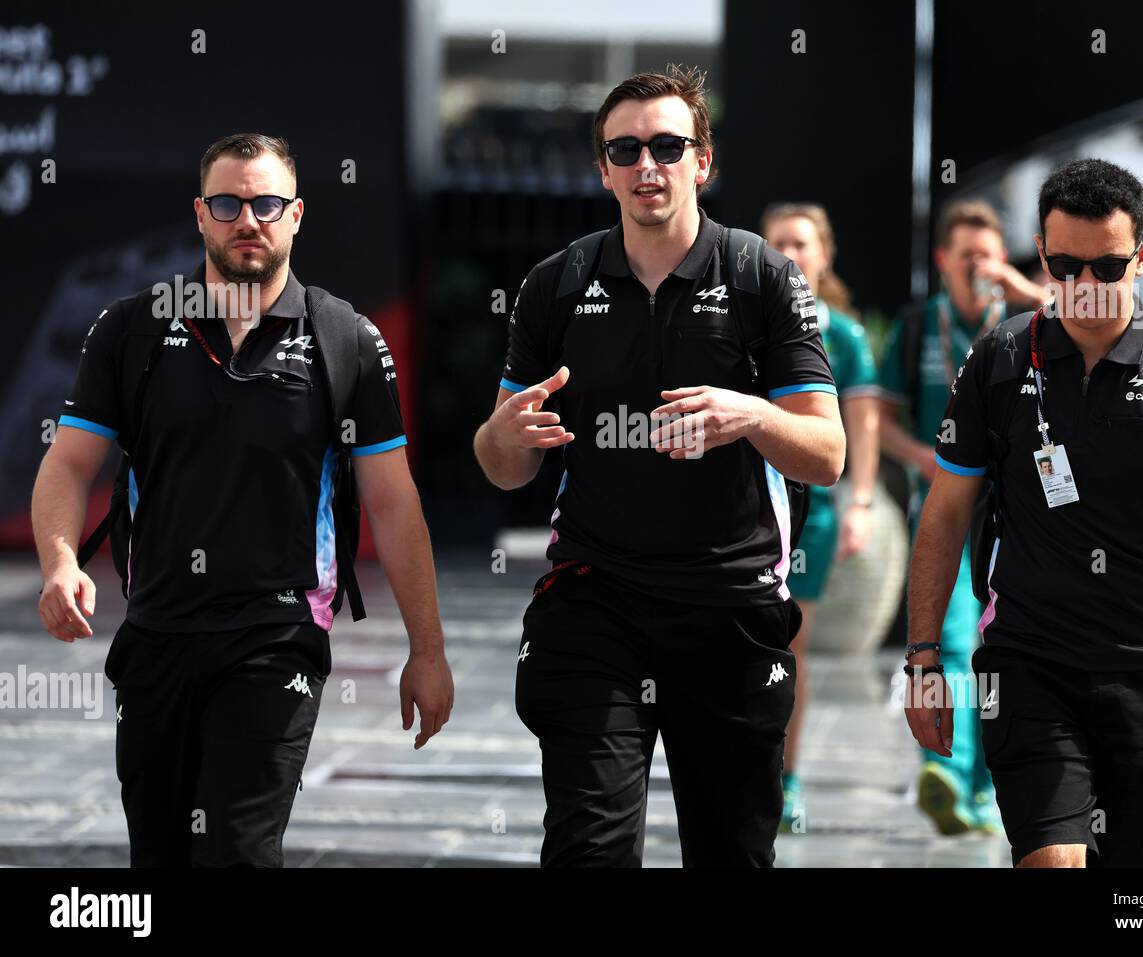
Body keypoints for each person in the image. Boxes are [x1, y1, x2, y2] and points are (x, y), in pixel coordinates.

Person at [31, 133, 454, 867]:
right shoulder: (131, 327)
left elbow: (392, 502)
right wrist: (61, 561)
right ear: (200, 214)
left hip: (276, 637)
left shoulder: (346, 337)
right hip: (157, 636)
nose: (247, 220)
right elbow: (68, 465)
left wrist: (429, 649)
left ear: (296, 214)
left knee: (238, 848)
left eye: (265, 203)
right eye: (227, 203)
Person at [473, 65, 845, 867]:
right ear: (602, 168)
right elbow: (500, 466)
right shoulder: (557, 284)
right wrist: (503, 434)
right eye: (627, 149)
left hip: (730, 605)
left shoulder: (761, 276)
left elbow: (829, 451)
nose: (649, 164)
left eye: (669, 146)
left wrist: (750, 414)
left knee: (733, 851)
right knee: (589, 846)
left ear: (702, 161)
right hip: (594, 600)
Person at [905, 158, 1143, 867]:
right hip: (1029, 660)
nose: (1084, 286)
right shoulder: (998, 360)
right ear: (1042, 256)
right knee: (1052, 859)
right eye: (1065, 265)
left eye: (1108, 268)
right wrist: (925, 656)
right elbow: (945, 515)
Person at [870, 200, 1048, 835]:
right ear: (944, 260)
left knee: (1003, 646)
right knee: (945, 638)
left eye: (990, 254)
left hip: (1017, 514)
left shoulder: (1031, 322)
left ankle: (983, 787)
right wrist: (924, 457)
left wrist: (1028, 292)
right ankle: (945, 765)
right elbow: (879, 418)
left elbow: (1097, 345)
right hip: (943, 509)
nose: (978, 265)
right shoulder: (919, 325)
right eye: (967, 254)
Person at [761, 202, 880, 830]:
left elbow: (862, 430)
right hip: (747, 508)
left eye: (802, 243)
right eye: (778, 243)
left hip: (817, 512)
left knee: (788, 646)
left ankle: (789, 775)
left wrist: (860, 504)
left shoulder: (846, 335)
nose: (791, 254)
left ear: (824, 254)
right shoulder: (744, 318)